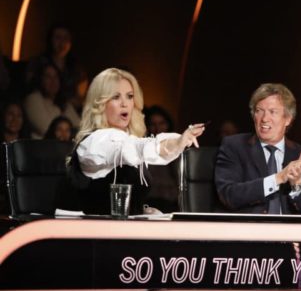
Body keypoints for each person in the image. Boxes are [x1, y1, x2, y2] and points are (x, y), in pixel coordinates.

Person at [64, 67, 205, 215]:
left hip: (125, 230)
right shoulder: (94, 142)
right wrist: (177, 142)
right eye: (116, 97)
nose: (124, 103)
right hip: (96, 233)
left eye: (130, 96)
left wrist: (143, 211)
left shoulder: (128, 139)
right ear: (100, 103)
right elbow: (129, 148)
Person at [215, 83, 301, 214]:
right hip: (247, 231)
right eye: (259, 111)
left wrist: (298, 183)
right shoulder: (234, 146)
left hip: (289, 233)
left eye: (273, 112)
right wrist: (278, 178)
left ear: (287, 119)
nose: (264, 119)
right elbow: (228, 195)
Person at [25, 23, 88, 115]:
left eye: (65, 38)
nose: (61, 43)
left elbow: (79, 97)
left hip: (68, 111)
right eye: (58, 38)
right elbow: (29, 88)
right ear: (50, 40)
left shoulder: (77, 69)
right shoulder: (38, 63)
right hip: (44, 109)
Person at [23, 61, 80, 138]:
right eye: (48, 77)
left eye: (55, 77)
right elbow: (47, 129)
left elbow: (79, 128)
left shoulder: (64, 103)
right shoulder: (33, 99)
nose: (53, 81)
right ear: (40, 79)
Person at [143, 104, 179, 212]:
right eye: (153, 124)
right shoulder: (143, 148)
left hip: (173, 203)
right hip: (148, 204)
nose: (157, 128)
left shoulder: (177, 148)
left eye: (161, 123)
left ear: (168, 124)